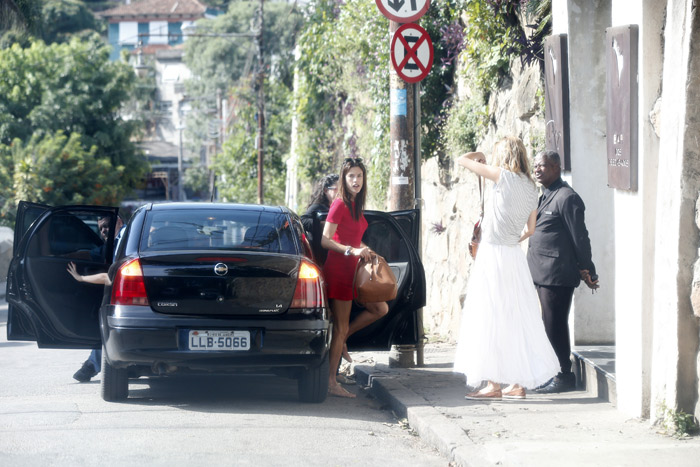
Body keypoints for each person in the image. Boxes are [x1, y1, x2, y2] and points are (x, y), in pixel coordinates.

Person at [453, 136, 560, 400]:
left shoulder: (502, 176)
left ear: (504, 155)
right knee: (515, 316)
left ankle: (493, 385)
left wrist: (478, 153)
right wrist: (512, 239)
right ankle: (518, 383)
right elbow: (531, 229)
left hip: (493, 255)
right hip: (514, 257)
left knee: (489, 316)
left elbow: (461, 160)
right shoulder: (530, 187)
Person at [527, 150, 600, 394]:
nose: (537, 169)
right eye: (536, 165)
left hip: (556, 274)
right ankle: (554, 371)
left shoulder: (567, 197)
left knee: (554, 324)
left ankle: (564, 375)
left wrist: (588, 269)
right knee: (547, 324)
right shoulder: (545, 195)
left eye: (543, 166)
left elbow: (580, 237)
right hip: (541, 272)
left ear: (557, 167)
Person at [321, 157, 388, 398]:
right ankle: (330, 381)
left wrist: (366, 249)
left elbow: (351, 236)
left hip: (354, 271)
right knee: (339, 327)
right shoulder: (339, 203)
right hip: (339, 270)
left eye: (359, 176)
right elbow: (326, 239)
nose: (356, 180)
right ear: (344, 178)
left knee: (380, 308)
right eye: (351, 176)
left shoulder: (355, 205)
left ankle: (343, 342)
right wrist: (352, 250)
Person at [69, 215, 124, 383]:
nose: (104, 231)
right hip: (121, 292)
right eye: (101, 228)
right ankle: (92, 364)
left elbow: (92, 260)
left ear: (119, 222)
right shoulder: (115, 242)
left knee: (106, 325)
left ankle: (92, 365)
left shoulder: (125, 237)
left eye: (107, 225)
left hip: (123, 293)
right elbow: (90, 255)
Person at [301, 174, 339, 265]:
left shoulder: (336, 208)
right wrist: (321, 224)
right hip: (318, 255)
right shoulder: (318, 206)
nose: (339, 193)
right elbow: (302, 220)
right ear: (326, 190)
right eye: (336, 189)